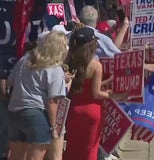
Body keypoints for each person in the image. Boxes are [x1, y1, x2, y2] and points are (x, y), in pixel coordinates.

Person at [62, 27, 127, 160]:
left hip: (73, 111)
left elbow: (82, 86)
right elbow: (95, 94)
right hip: (92, 112)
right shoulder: (96, 65)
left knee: (72, 149)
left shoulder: (69, 62)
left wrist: (106, 82)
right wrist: (113, 95)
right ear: (92, 46)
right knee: (90, 150)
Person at [7, 31, 69, 160]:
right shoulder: (55, 68)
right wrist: (54, 128)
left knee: (15, 157)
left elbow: (10, 81)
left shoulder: (26, 58)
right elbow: (52, 102)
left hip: (14, 111)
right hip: (36, 115)